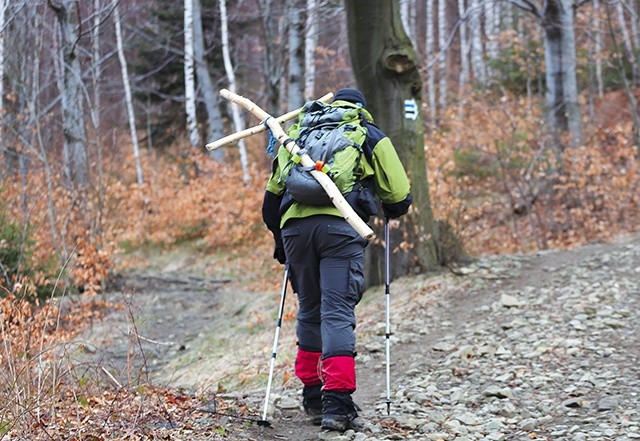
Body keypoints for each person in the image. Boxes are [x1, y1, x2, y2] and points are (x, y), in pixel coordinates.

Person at [261, 88, 412, 431]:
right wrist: (385, 206)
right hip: (342, 229)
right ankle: (338, 404)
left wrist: (281, 240)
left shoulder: (298, 134)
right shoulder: (368, 133)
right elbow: (400, 195)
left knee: (311, 308)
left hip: (295, 231)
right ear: (361, 108)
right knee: (337, 311)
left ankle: (313, 395)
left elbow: (272, 201)